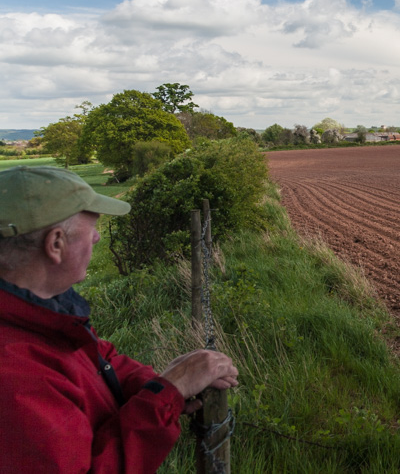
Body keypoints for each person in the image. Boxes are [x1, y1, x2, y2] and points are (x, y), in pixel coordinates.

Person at [0, 166, 239, 473]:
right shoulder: (15, 377)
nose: (98, 237)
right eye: (92, 228)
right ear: (55, 244)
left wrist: (163, 388)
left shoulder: (37, 309)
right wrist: (168, 392)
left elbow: (98, 360)